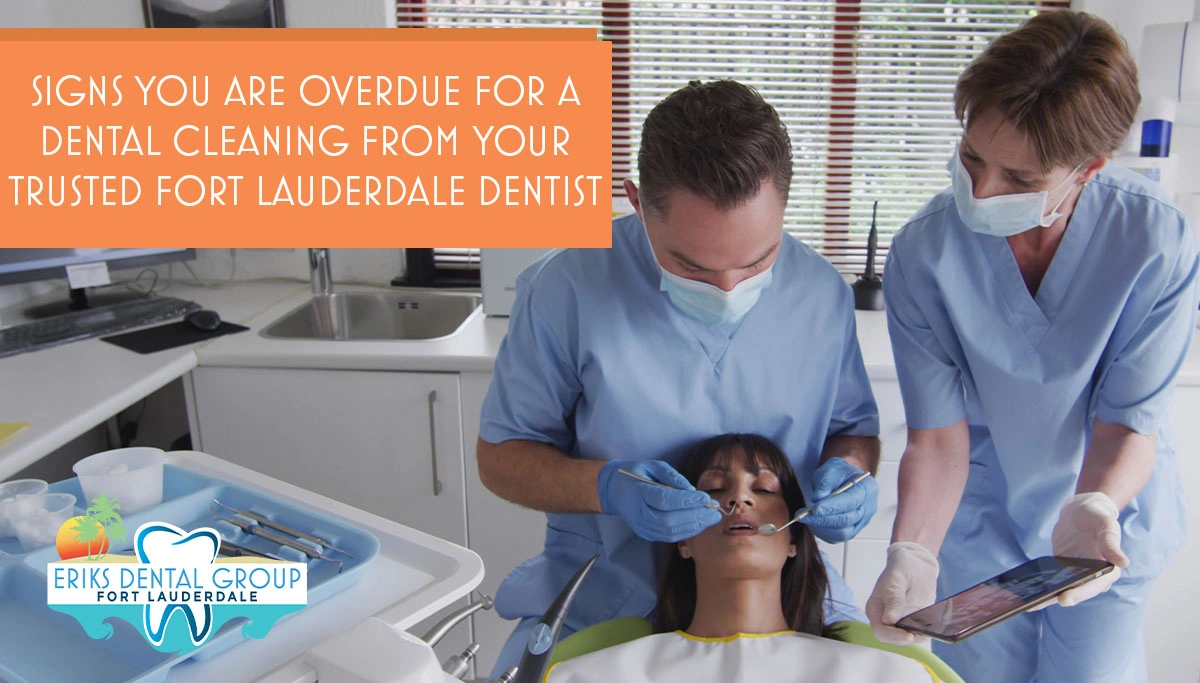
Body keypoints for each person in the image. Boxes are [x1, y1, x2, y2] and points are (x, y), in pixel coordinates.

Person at [478, 79, 882, 677]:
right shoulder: (566, 288)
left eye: (757, 262)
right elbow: (502, 457)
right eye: (691, 267)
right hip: (608, 598)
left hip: (787, 605)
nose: (728, 289)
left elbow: (853, 430)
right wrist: (607, 488)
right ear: (638, 203)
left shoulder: (820, 294)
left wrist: (850, 472)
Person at [866, 11, 1200, 683]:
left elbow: (1126, 421)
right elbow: (937, 437)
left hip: (1108, 511)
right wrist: (912, 551)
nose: (982, 192)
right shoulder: (926, 252)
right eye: (972, 158)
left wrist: (1095, 505)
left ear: (1089, 169)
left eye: (1019, 179)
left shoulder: (1153, 240)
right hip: (979, 514)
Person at [546, 434, 937, 682]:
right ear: (682, 540)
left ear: (794, 539)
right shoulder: (589, 675)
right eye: (716, 488)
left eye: (764, 488)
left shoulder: (887, 675)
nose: (739, 498)